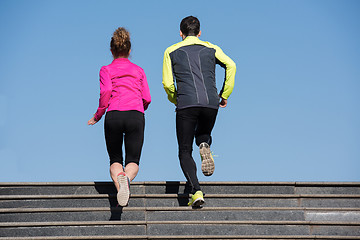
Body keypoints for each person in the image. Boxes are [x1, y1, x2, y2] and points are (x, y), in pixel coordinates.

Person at [162, 16, 236, 207]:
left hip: (186, 102)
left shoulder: (170, 51)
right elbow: (231, 65)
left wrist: (175, 98)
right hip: (211, 102)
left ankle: (196, 190)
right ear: (200, 32)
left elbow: (168, 83)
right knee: (202, 134)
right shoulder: (212, 48)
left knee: (184, 151)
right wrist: (224, 93)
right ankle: (204, 143)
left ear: (181, 33)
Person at [88, 27, 151, 207]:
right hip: (135, 115)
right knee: (133, 160)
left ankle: (120, 184)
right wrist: (139, 109)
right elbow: (147, 97)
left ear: (111, 50)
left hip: (114, 115)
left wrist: (98, 115)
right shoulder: (139, 70)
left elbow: (106, 91)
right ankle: (126, 180)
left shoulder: (106, 70)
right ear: (129, 50)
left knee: (115, 159)